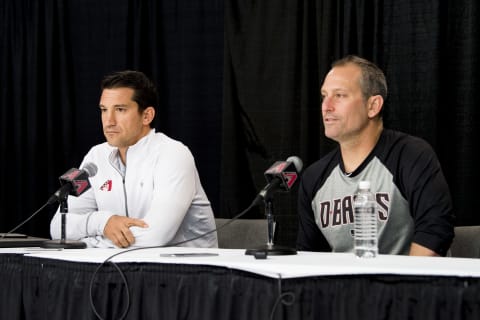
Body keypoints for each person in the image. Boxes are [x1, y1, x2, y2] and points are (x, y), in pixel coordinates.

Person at [296, 55, 454, 256]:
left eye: (340, 95)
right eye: (324, 95)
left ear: (373, 106)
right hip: (342, 287)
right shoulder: (314, 178)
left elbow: (435, 231)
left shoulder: (411, 156)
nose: (326, 106)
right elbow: (309, 256)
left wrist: (402, 287)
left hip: (407, 284)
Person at [50, 70, 218, 248]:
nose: (109, 121)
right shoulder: (95, 157)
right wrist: (104, 223)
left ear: (147, 116)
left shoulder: (173, 155)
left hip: (188, 271)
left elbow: (155, 237)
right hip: (120, 268)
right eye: (104, 110)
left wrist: (88, 243)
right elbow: (58, 228)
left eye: (120, 110)